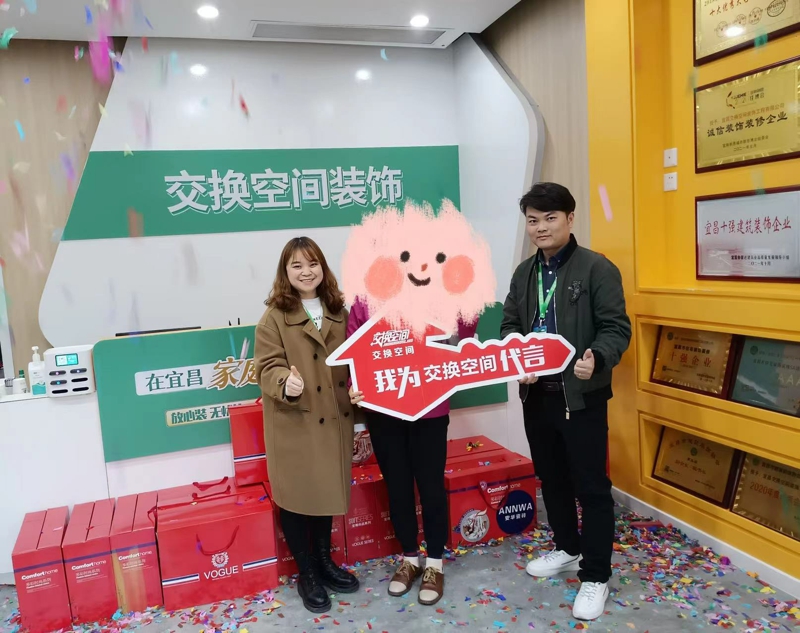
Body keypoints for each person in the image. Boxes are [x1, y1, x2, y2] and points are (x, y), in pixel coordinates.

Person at [500, 182, 631, 621]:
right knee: (552, 478)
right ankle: (568, 548)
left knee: (591, 487)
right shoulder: (524, 273)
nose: (541, 228)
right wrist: (517, 357)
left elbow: (616, 328)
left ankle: (596, 576)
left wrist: (598, 357)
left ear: (570, 219)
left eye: (550, 218)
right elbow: (509, 325)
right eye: (533, 220)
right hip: (537, 396)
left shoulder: (597, 268)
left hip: (581, 397)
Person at [347, 297, 477, 607]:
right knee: (398, 487)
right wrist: (355, 383)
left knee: (431, 488)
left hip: (429, 405)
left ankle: (434, 564)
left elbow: (464, 333)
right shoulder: (365, 297)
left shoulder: (439, 289)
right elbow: (354, 346)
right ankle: (409, 558)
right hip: (383, 407)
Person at [255, 236, 359, 614]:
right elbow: (266, 366)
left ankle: (325, 562)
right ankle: (307, 573)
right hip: (295, 422)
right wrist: (285, 381)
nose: (306, 272)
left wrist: (360, 389)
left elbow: (358, 358)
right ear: (285, 272)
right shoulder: (273, 317)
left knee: (325, 491)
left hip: (333, 419)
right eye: (296, 265)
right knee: (298, 499)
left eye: (312, 263)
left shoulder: (339, 310)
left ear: (323, 267)